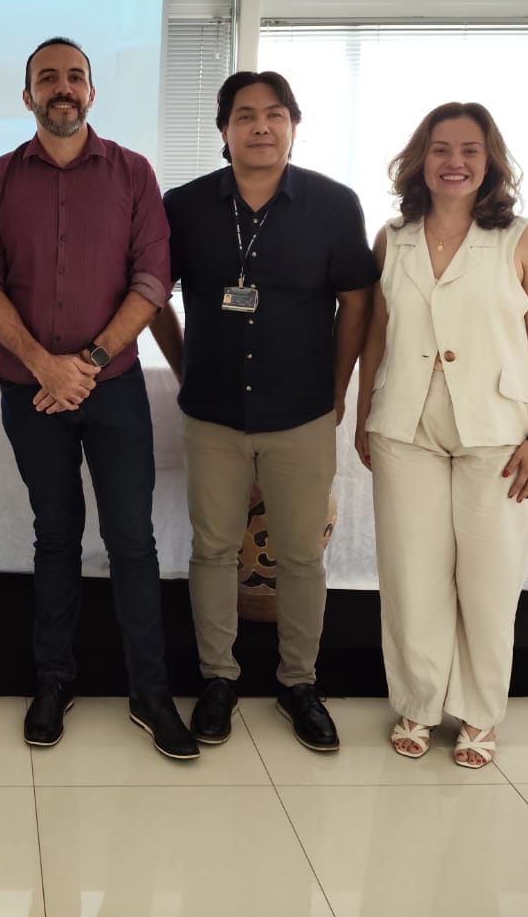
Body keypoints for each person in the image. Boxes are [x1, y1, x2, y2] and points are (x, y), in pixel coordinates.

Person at [0, 36, 197, 761]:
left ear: (92, 92)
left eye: (74, 77)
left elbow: (152, 281)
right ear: (27, 94)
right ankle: (54, 680)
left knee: (133, 540)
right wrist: (44, 365)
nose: (61, 88)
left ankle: (151, 692)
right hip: (27, 390)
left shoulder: (133, 173)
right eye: (47, 78)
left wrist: (88, 363)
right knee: (55, 535)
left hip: (116, 388)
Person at [151, 70, 376, 752]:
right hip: (214, 410)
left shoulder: (334, 205)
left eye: (275, 115)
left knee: (302, 555)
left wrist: (337, 391)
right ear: (223, 130)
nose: (260, 127)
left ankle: (298, 682)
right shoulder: (184, 205)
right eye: (245, 115)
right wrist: (186, 365)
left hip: (302, 410)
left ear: (294, 125)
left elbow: (357, 302)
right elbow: (152, 293)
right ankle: (218, 678)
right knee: (214, 548)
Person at [355, 101, 528, 769]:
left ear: (490, 161)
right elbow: (376, 335)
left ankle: (478, 714)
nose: (454, 162)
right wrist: (366, 413)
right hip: (405, 426)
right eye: (441, 148)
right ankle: (418, 702)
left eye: (469, 150)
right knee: (412, 576)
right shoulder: (394, 236)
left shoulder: (522, 240)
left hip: (499, 435)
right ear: (420, 159)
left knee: (487, 580)